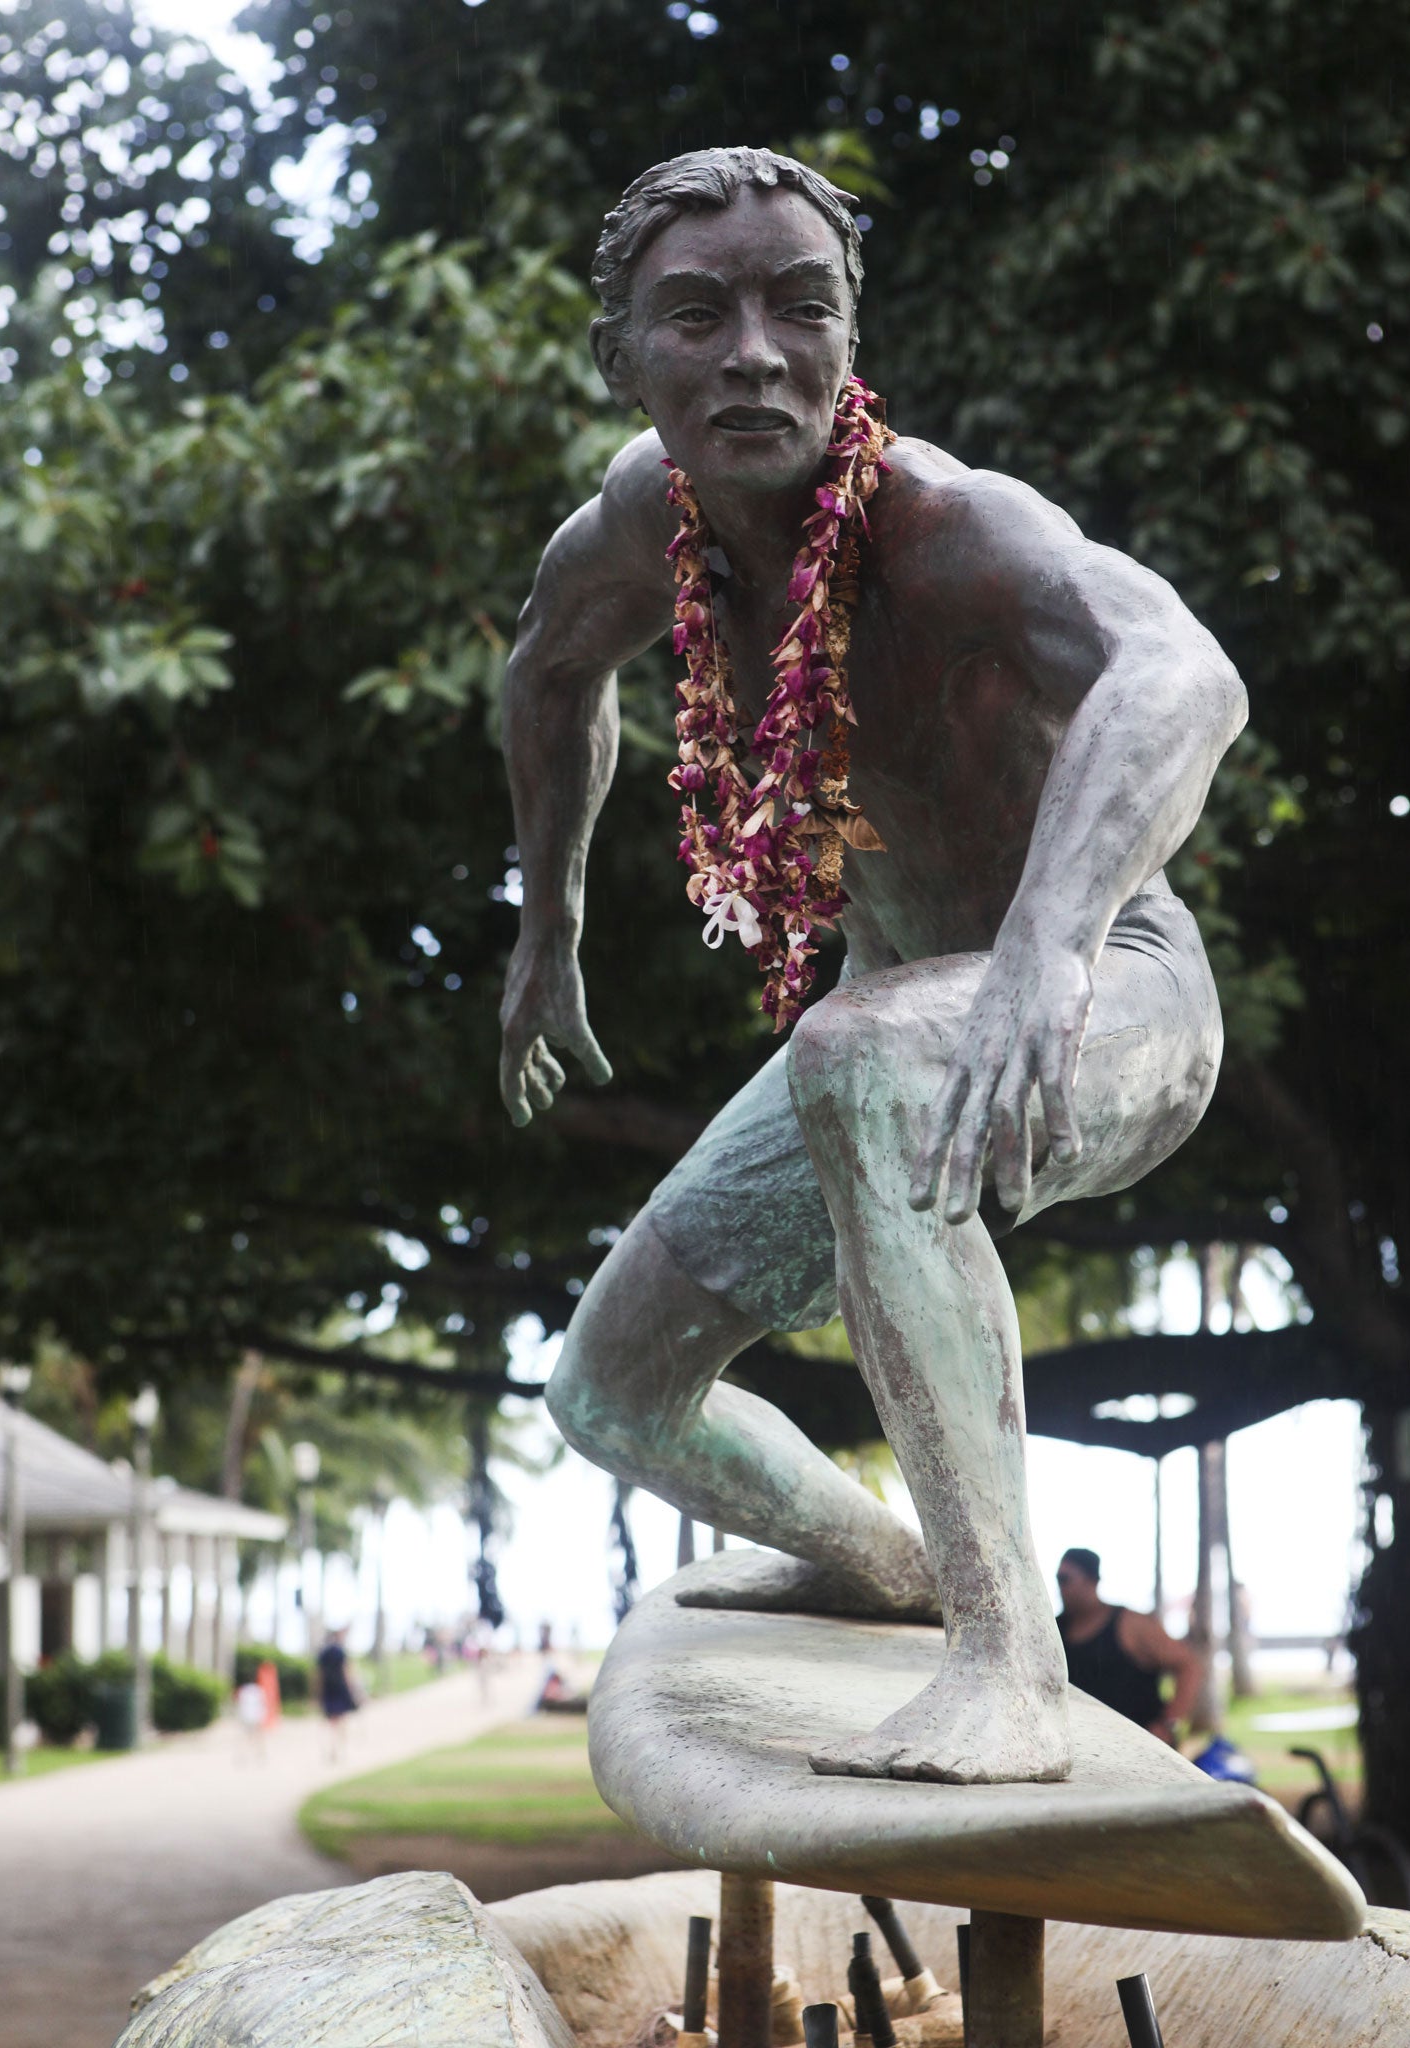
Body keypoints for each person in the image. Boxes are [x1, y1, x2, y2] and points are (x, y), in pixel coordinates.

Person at [499, 146, 1242, 1786]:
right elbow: (545, 678)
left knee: (857, 1051)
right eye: (698, 315)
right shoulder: (642, 525)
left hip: (1112, 988)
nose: (755, 351)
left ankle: (1008, 1663)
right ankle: (889, 1563)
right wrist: (547, 920)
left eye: (800, 307)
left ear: (852, 337)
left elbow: (1181, 671)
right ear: (622, 355)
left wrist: (1048, 940)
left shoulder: (944, 527)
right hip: (895, 1032)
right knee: (611, 1390)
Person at [1055, 1547, 1203, 1746]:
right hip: (1080, 1748)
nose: (1060, 1587)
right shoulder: (1053, 1629)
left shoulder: (1131, 1625)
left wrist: (1168, 1724)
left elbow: (1189, 1665)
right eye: (1058, 1580)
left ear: (1092, 1581)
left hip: (1138, 1748)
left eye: (1065, 1579)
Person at [316, 1625, 360, 1761]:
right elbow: (346, 1672)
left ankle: (333, 1749)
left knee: (332, 1722)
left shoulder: (323, 1653)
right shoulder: (340, 1652)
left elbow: (318, 1675)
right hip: (340, 1689)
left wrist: (316, 1693)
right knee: (342, 1721)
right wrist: (353, 1690)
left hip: (328, 1690)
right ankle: (341, 1750)